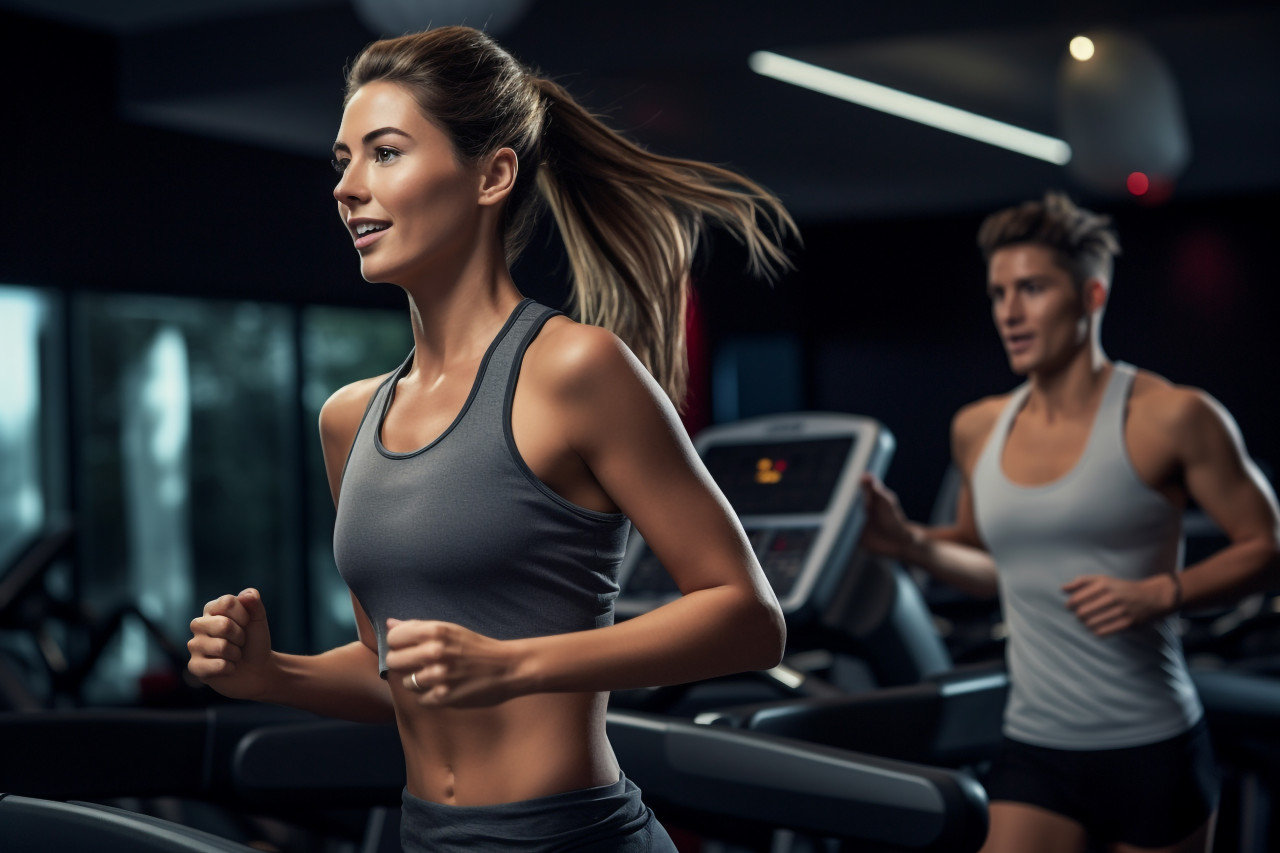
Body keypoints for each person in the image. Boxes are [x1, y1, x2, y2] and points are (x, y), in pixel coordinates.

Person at [187, 25, 797, 853]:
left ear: (493, 174)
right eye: (343, 160)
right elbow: (393, 668)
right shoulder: (349, 417)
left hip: (574, 836)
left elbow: (749, 618)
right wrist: (273, 674)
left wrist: (516, 665)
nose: (348, 187)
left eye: (386, 153)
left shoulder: (576, 369)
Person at [859, 192, 1280, 853]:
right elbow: (984, 562)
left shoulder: (1172, 415)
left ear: (1091, 296)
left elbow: (1267, 544)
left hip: (1153, 746)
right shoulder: (978, 426)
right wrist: (908, 541)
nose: (1010, 312)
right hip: (1037, 745)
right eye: (999, 293)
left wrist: (1161, 593)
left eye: (1032, 288)